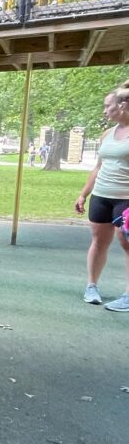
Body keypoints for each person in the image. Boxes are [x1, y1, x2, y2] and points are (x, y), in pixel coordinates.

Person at [74, 80, 129, 311]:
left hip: (126, 198)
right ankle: (92, 287)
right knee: (99, 241)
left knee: (126, 244)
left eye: (108, 106)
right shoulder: (108, 133)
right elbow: (98, 167)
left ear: (123, 106)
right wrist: (83, 194)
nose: (105, 110)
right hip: (101, 195)